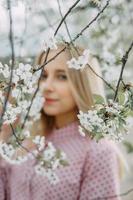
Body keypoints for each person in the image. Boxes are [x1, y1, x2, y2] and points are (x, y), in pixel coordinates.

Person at [0, 44, 124, 200]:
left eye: (61, 76)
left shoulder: (97, 151)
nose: (47, 86)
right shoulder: (29, 141)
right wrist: (5, 134)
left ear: (82, 84)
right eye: (43, 76)